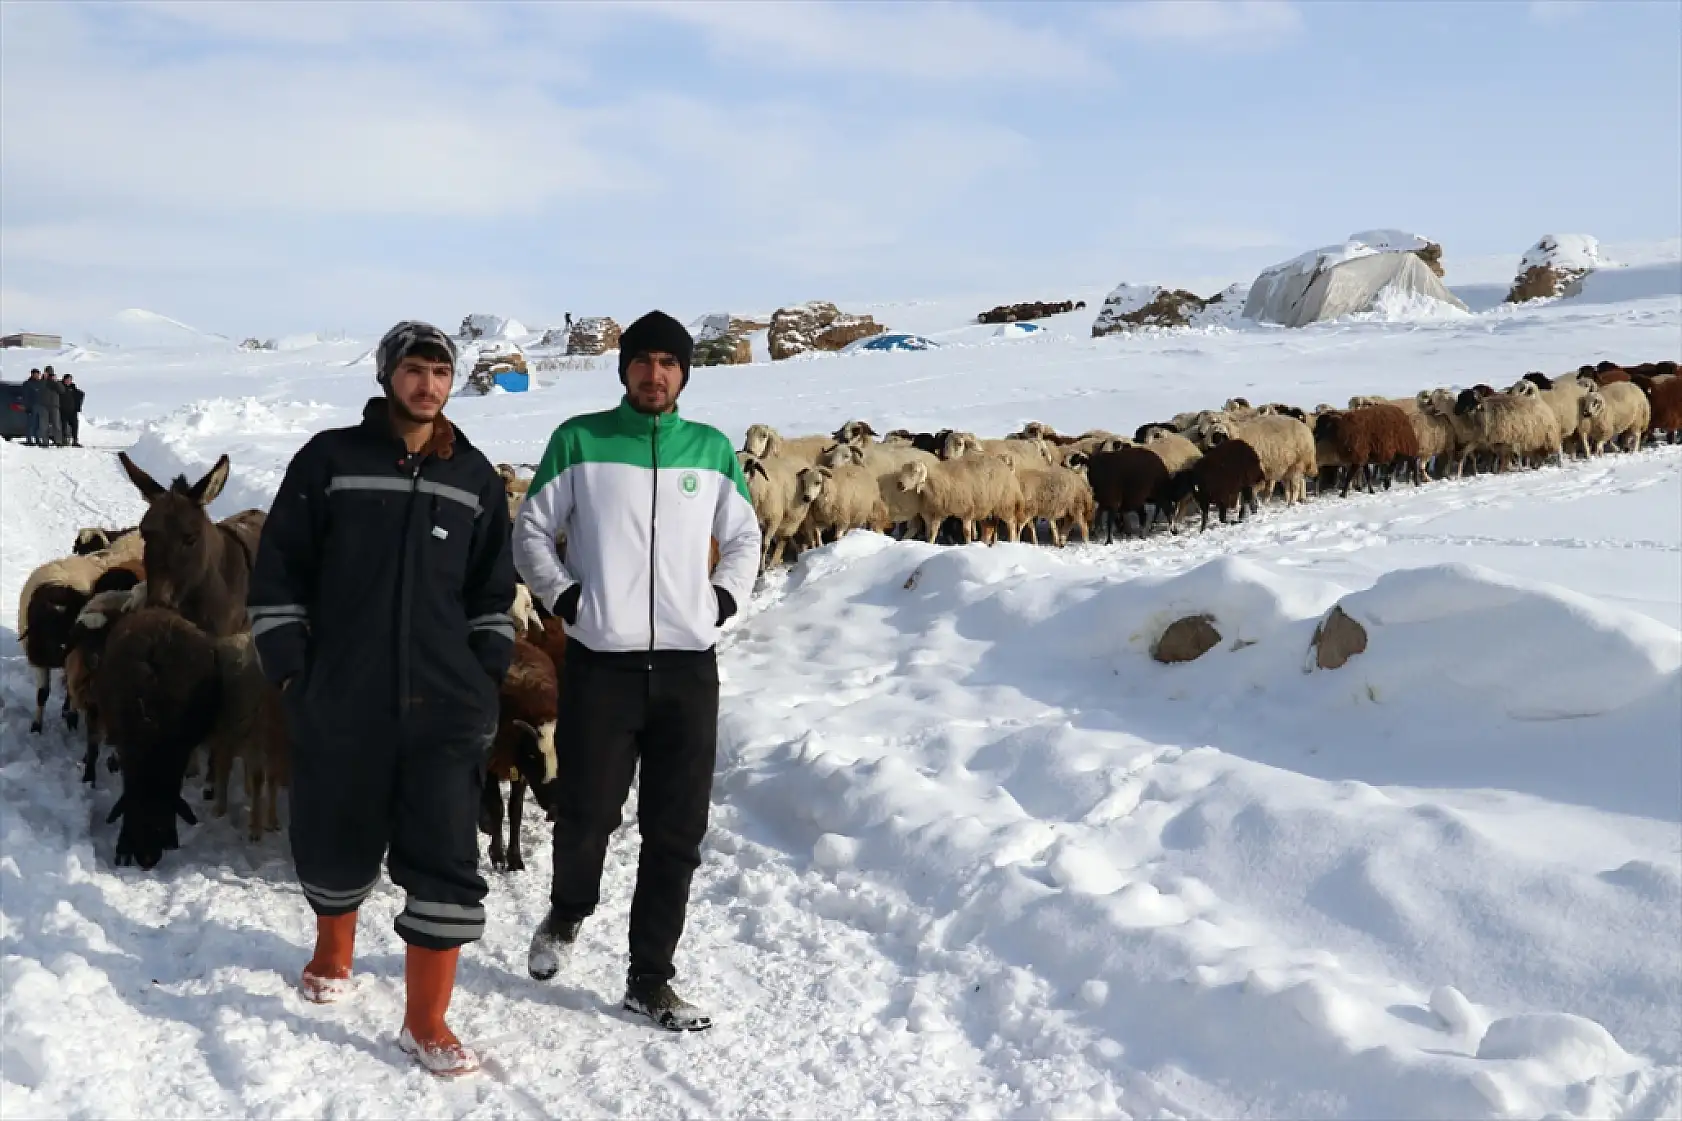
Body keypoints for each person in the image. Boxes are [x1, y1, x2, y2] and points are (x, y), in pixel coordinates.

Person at [248, 321, 516, 1077]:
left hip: (445, 706)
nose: (428, 383)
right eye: (415, 369)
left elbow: (493, 589)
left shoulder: (473, 475)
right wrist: (295, 675)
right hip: (343, 695)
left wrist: (483, 673)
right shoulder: (329, 460)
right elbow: (278, 575)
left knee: (444, 856)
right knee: (335, 838)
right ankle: (334, 947)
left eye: (440, 370)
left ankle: (425, 1018)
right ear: (387, 375)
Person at [512, 310, 761, 1032]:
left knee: (676, 827)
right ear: (624, 369)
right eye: (643, 361)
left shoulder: (711, 450)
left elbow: (744, 535)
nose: (655, 374)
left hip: (688, 664)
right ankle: (568, 909)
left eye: (669, 363)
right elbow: (531, 528)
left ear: (685, 373)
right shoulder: (580, 440)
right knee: (589, 809)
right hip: (602, 661)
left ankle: (649, 977)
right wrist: (565, 598)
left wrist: (721, 599)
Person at [38, 369, 64, 448]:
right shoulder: (42, 382)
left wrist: (55, 381)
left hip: (54, 405)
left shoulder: (56, 382)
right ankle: (45, 441)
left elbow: (62, 390)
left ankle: (58, 441)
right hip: (43, 406)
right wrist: (44, 379)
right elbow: (39, 388)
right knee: (44, 425)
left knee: (56, 425)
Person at [59, 374, 84, 447]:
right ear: (64, 380)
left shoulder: (73, 388)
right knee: (63, 426)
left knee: (75, 426)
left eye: (70, 380)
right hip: (63, 410)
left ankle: (75, 441)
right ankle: (63, 440)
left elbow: (81, 394)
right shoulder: (61, 387)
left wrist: (78, 407)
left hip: (72, 411)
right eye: (67, 380)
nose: (68, 381)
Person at [21, 369, 41, 446]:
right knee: (30, 424)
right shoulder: (27, 384)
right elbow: (25, 396)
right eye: (35, 374)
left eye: (38, 374)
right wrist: (27, 406)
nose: (36, 376)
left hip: (39, 406)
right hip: (31, 406)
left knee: (38, 425)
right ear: (32, 374)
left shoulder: (40, 383)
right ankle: (29, 440)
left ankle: (37, 439)